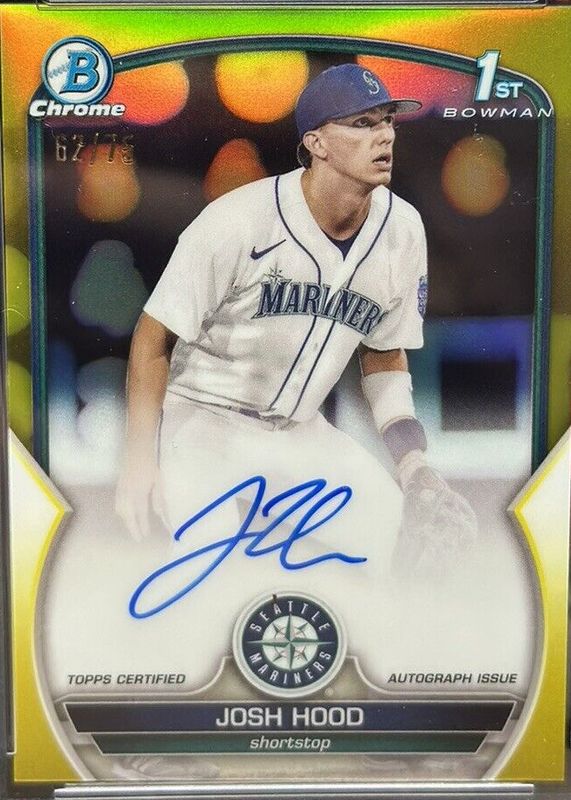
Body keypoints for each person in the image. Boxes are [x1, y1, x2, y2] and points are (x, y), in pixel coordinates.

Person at [115, 63, 475, 586]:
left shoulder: (402, 229)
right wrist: (138, 460)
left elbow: (384, 354)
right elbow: (153, 337)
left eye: (388, 120)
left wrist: (412, 463)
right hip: (203, 425)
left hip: (300, 432)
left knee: (400, 541)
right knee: (206, 571)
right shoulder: (237, 221)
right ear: (316, 143)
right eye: (363, 123)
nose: (384, 136)